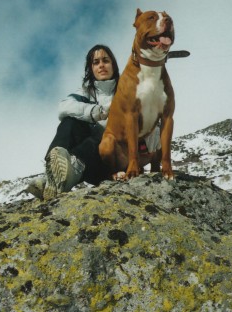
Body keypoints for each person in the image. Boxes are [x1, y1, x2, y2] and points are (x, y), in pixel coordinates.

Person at [27, 44, 160, 200]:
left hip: (119, 157)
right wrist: (97, 111)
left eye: (105, 60)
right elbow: (63, 107)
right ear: (91, 68)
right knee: (69, 122)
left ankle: (59, 181)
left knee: (96, 139)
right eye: (96, 62)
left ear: (113, 65)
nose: (101, 65)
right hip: (92, 161)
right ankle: (53, 174)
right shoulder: (86, 92)